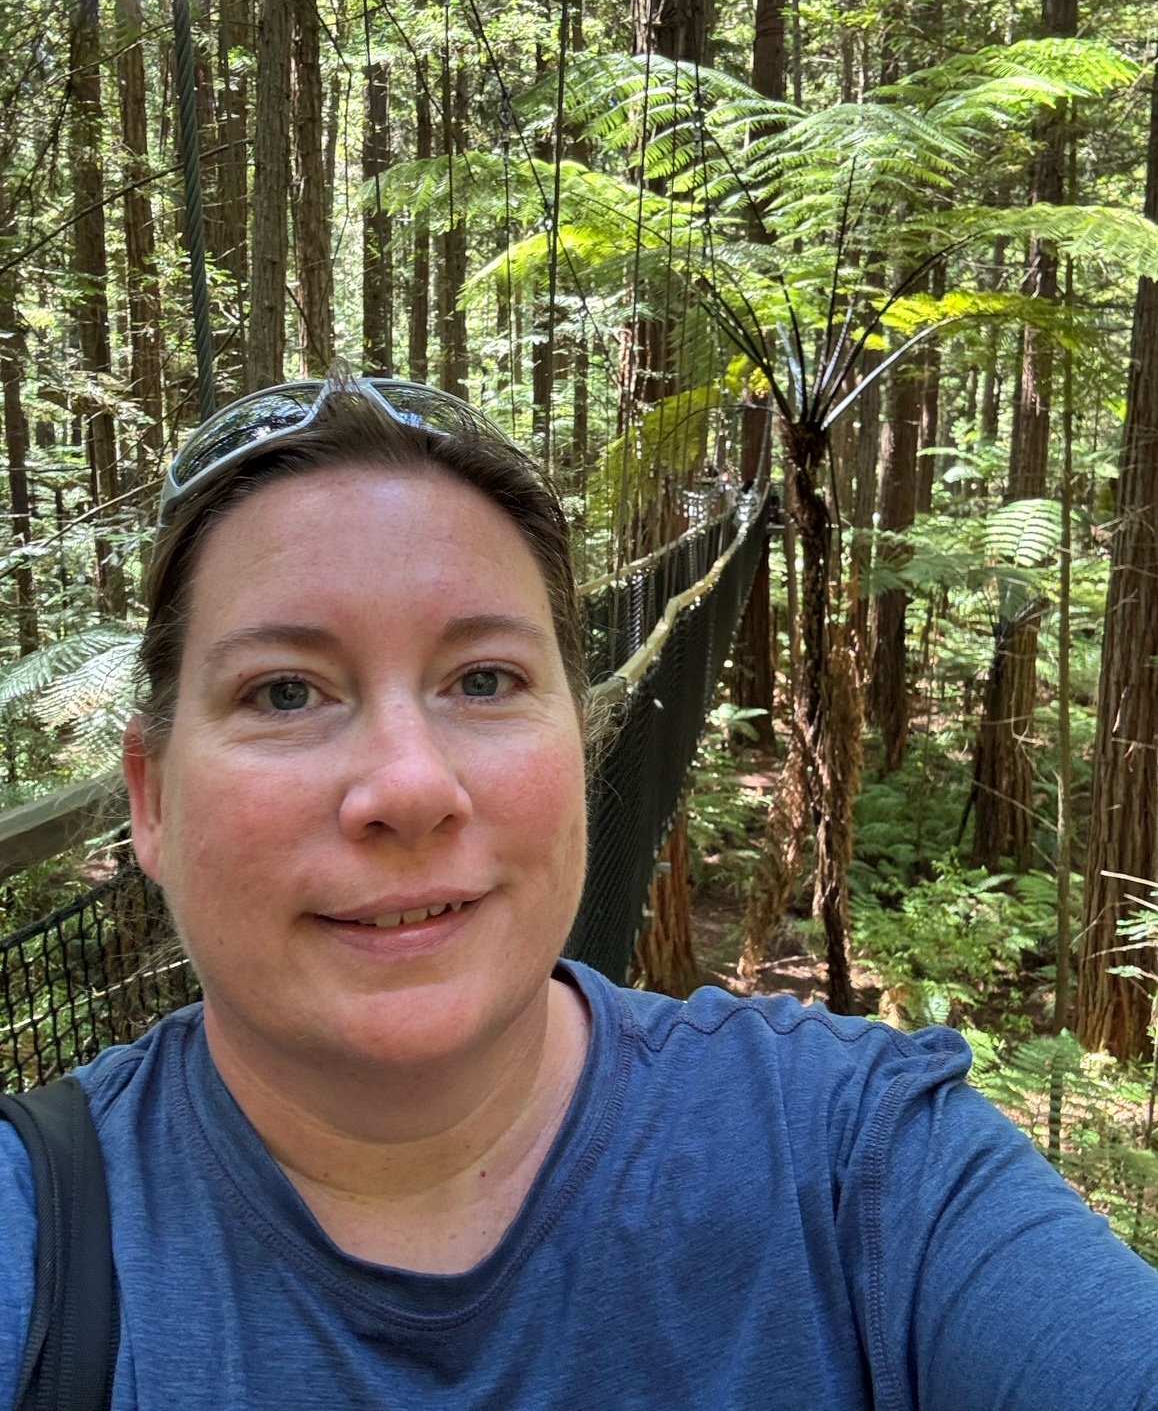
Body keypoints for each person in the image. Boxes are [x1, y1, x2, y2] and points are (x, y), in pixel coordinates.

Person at [1, 376, 1156, 1411]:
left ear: (582, 745)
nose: (408, 783)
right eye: (286, 691)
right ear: (151, 800)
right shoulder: (36, 1241)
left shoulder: (859, 1159)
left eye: (486, 677)